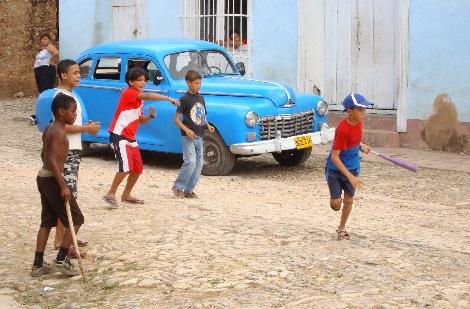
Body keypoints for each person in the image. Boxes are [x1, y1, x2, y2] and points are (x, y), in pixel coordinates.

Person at [103, 67, 179, 208]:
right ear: (130, 82)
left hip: (130, 137)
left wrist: (150, 116)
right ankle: (111, 193)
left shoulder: (139, 99)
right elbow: (148, 96)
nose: (142, 83)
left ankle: (126, 194)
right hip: (119, 134)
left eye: (144, 80)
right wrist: (168, 98)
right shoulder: (129, 93)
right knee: (125, 167)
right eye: (139, 80)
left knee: (137, 168)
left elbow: (140, 121)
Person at [31, 93, 83, 277]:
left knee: (47, 221)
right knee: (76, 219)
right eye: (73, 111)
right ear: (61, 112)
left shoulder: (49, 129)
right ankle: (61, 259)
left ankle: (38, 264)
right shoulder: (58, 132)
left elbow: (43, 156)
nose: (75, 114)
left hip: (43, 177)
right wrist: (63, 185)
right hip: (52, 180)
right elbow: (52, 160)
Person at [53, 59, 100, 258]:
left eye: (79, 72)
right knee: (68, 197)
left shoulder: (70, 95)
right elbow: (62, 126)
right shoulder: (61, 97)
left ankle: (63, 238)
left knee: (69, 196)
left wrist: (84, 125)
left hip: (72, 149)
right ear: (63, 75)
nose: (79, 76)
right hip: (66, 151)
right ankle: (65, 244)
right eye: (75, 73)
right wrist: (86, 129)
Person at [325, 92, 371, 241]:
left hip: (352, 167)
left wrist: (361, 146)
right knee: (336, 204)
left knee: (349, 200)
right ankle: (334, 200)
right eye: (360, 109)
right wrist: (351, 178)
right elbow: (335, 157)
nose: (364, 112)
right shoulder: (343, 129)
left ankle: (342, 228)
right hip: (335, 170)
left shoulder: (359, 123)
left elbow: (354, 141)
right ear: (349, 111)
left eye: (365, 109)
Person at [172, 70, 215, 198]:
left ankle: (189, 190)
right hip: (188, 136)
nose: (198, 85)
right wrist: (187, 130)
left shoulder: (200, 98)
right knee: (190, 161)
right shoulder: (184, 99)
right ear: (188, 83)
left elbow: (202, 115)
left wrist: (208, 125)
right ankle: (178, 187)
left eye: (200, 83)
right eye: (196, 83)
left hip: (200, 135)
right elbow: (176, 120)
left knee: (199, 163)